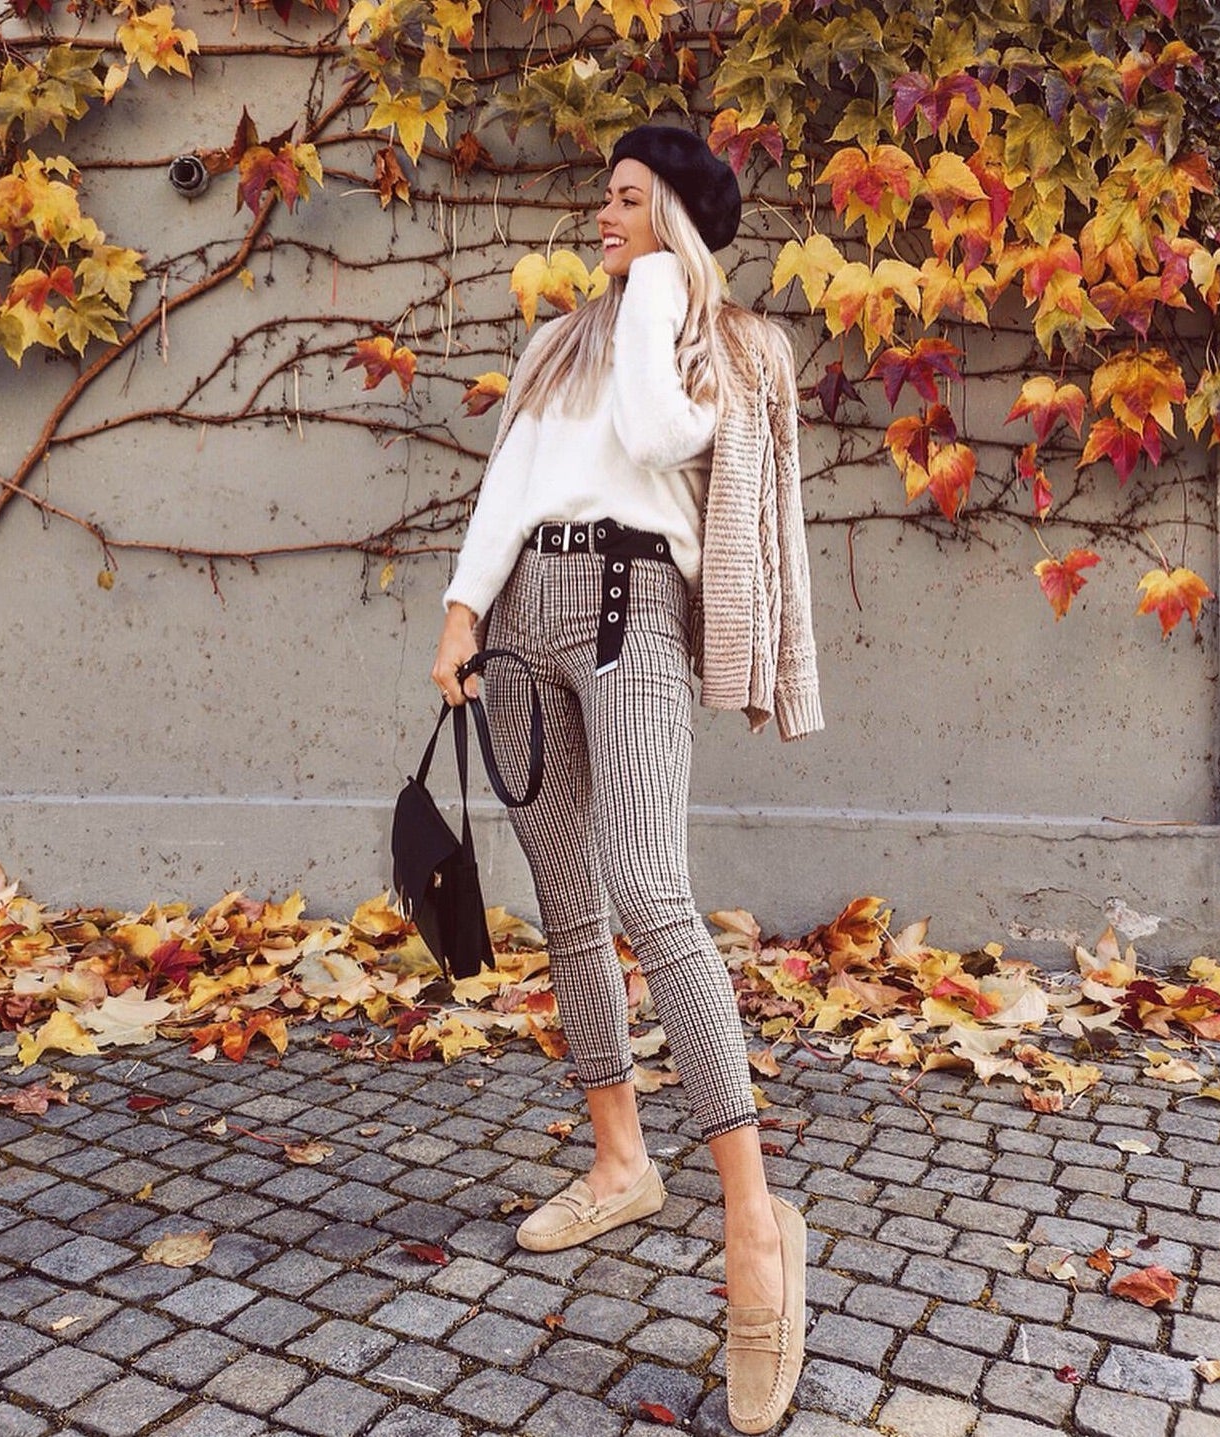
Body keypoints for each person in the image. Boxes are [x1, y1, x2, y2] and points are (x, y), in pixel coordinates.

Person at [431, 122, 822, 1434]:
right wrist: (459, 609)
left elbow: (659, 435)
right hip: (526, 615)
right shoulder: (561, 341)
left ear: (674, 219)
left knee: (652, 888)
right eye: (602, 197)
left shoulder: (686, 322)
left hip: (629, 604)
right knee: (569, 904)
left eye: (625, 198)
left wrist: (663, 286)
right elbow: (509, 481)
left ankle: (755, 1226)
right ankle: (617, 1161)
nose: (600, 214)